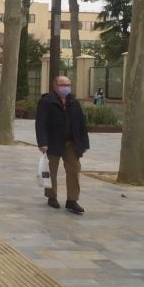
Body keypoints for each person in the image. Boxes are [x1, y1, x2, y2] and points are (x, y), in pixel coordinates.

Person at [36, 76, 90, 214]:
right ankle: (51, 196)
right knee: (51, 171)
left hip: (72, 143)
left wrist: (83, 144)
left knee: (74, 170)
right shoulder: (47, 101)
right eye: (62, 84)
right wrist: (42, 142)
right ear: (55, 86)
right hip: (53, 142)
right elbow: (40, 123)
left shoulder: (74, 102)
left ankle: (72, 200)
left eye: (68, 84)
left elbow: (81, 124)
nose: (65, 87)